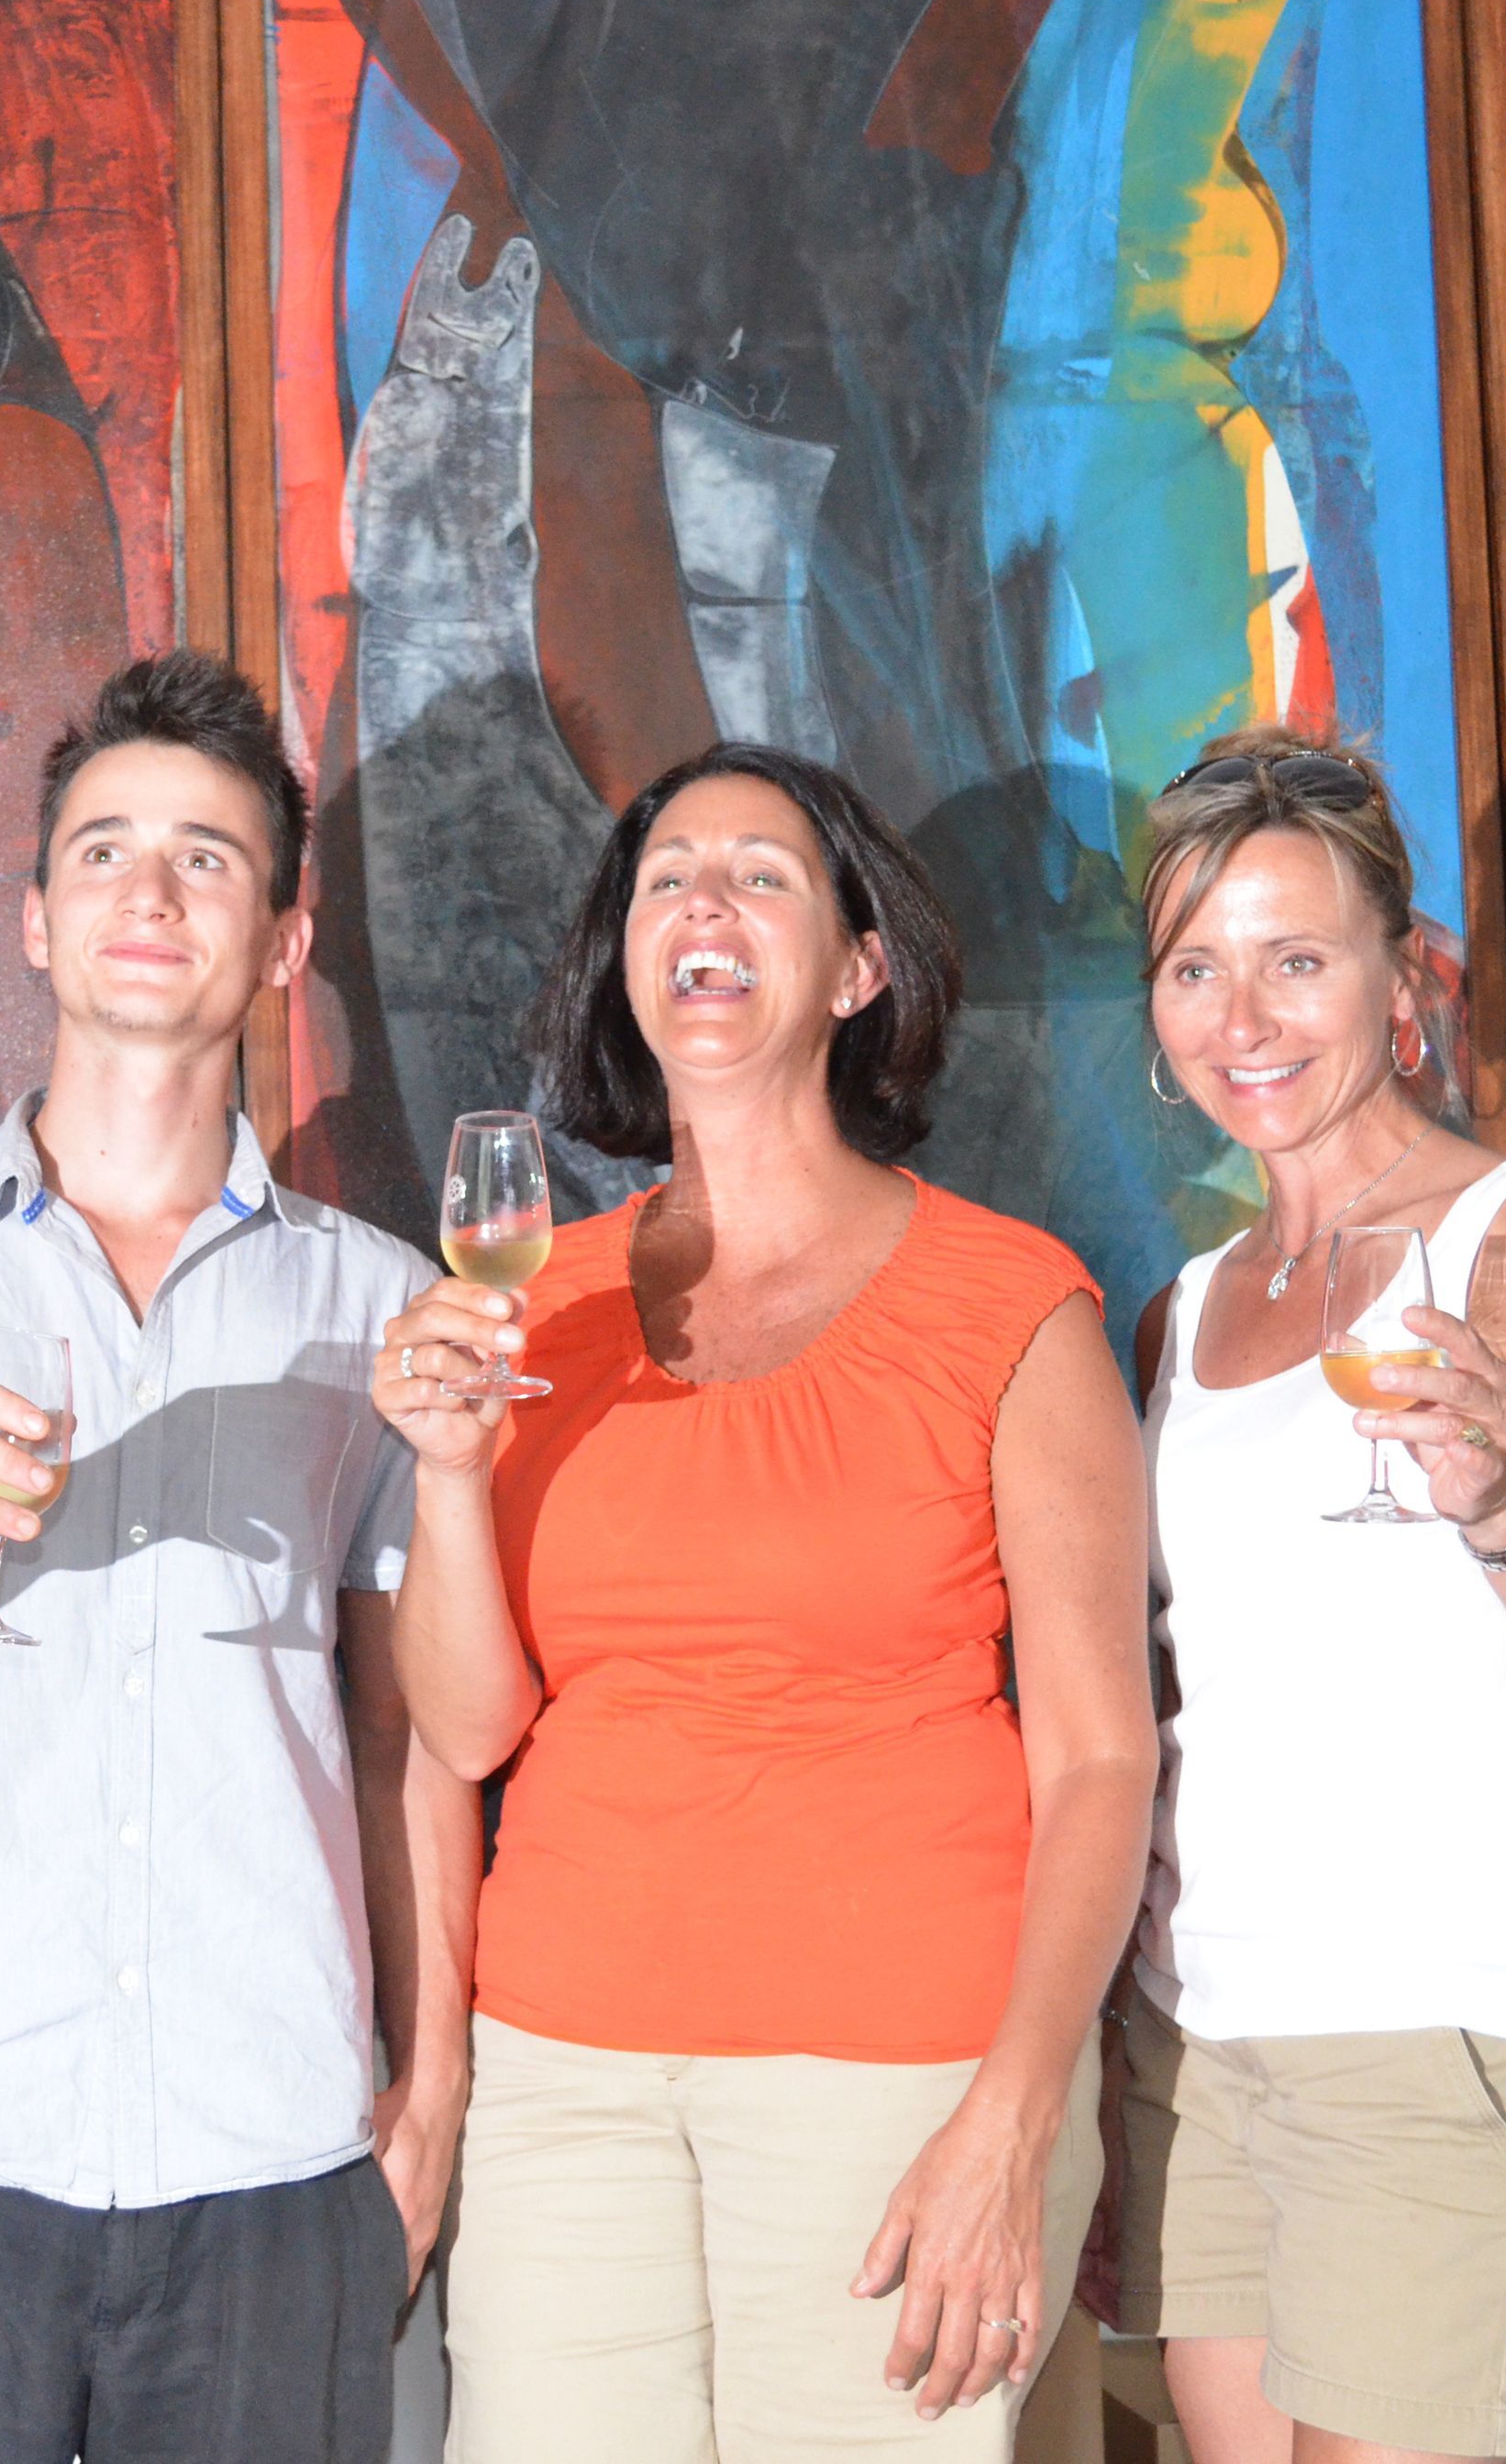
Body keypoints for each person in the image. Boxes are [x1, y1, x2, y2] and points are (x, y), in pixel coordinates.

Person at [0, 648, 480, 2464]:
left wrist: (428, 2087)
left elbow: (406, 1740)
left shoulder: (384, 1305)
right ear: (38, 922)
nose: (150, 891)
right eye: (104, 849)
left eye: (207, 858)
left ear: (280, 943)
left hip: (268, 2148)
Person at [372, 742, 1156, 2458]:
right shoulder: (534, 1305)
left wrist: (1017, 2115)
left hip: (900, 2077)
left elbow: (1104, 1762)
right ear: (627, 966)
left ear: (860, 971)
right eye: (666, 879)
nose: (703, 903)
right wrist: (443, 1473)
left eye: (761, 874)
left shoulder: (1011, 1305)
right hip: (565, 2077)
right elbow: (469, 1726)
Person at [1102, 728, 1506, 2463]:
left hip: (1445, 2027)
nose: (1245, 1018)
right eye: (1197, 969)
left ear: (1403, 972)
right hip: (1207, 2041)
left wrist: (1501, 1507)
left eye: (1297, 959)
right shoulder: (1183, 1309)